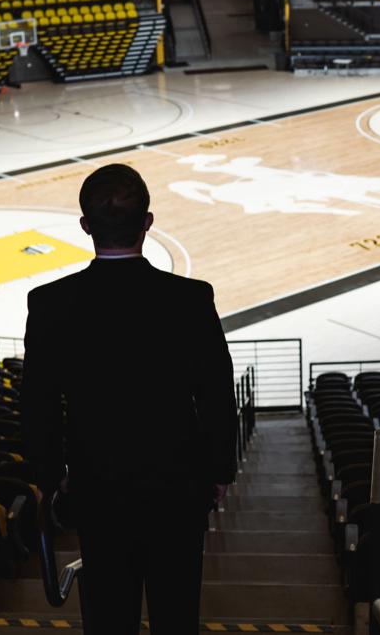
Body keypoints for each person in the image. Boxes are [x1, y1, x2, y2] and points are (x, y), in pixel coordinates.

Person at [21, 163, 238, 634]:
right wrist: (220, 471)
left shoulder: (49, 304)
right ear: (148, 221)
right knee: (176, 611)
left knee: (108, 614)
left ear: (85, 226)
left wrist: (48, 475)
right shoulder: (191, 299)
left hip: (97, 488)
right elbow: (218, 392)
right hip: (178, 488)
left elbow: (37, 402)